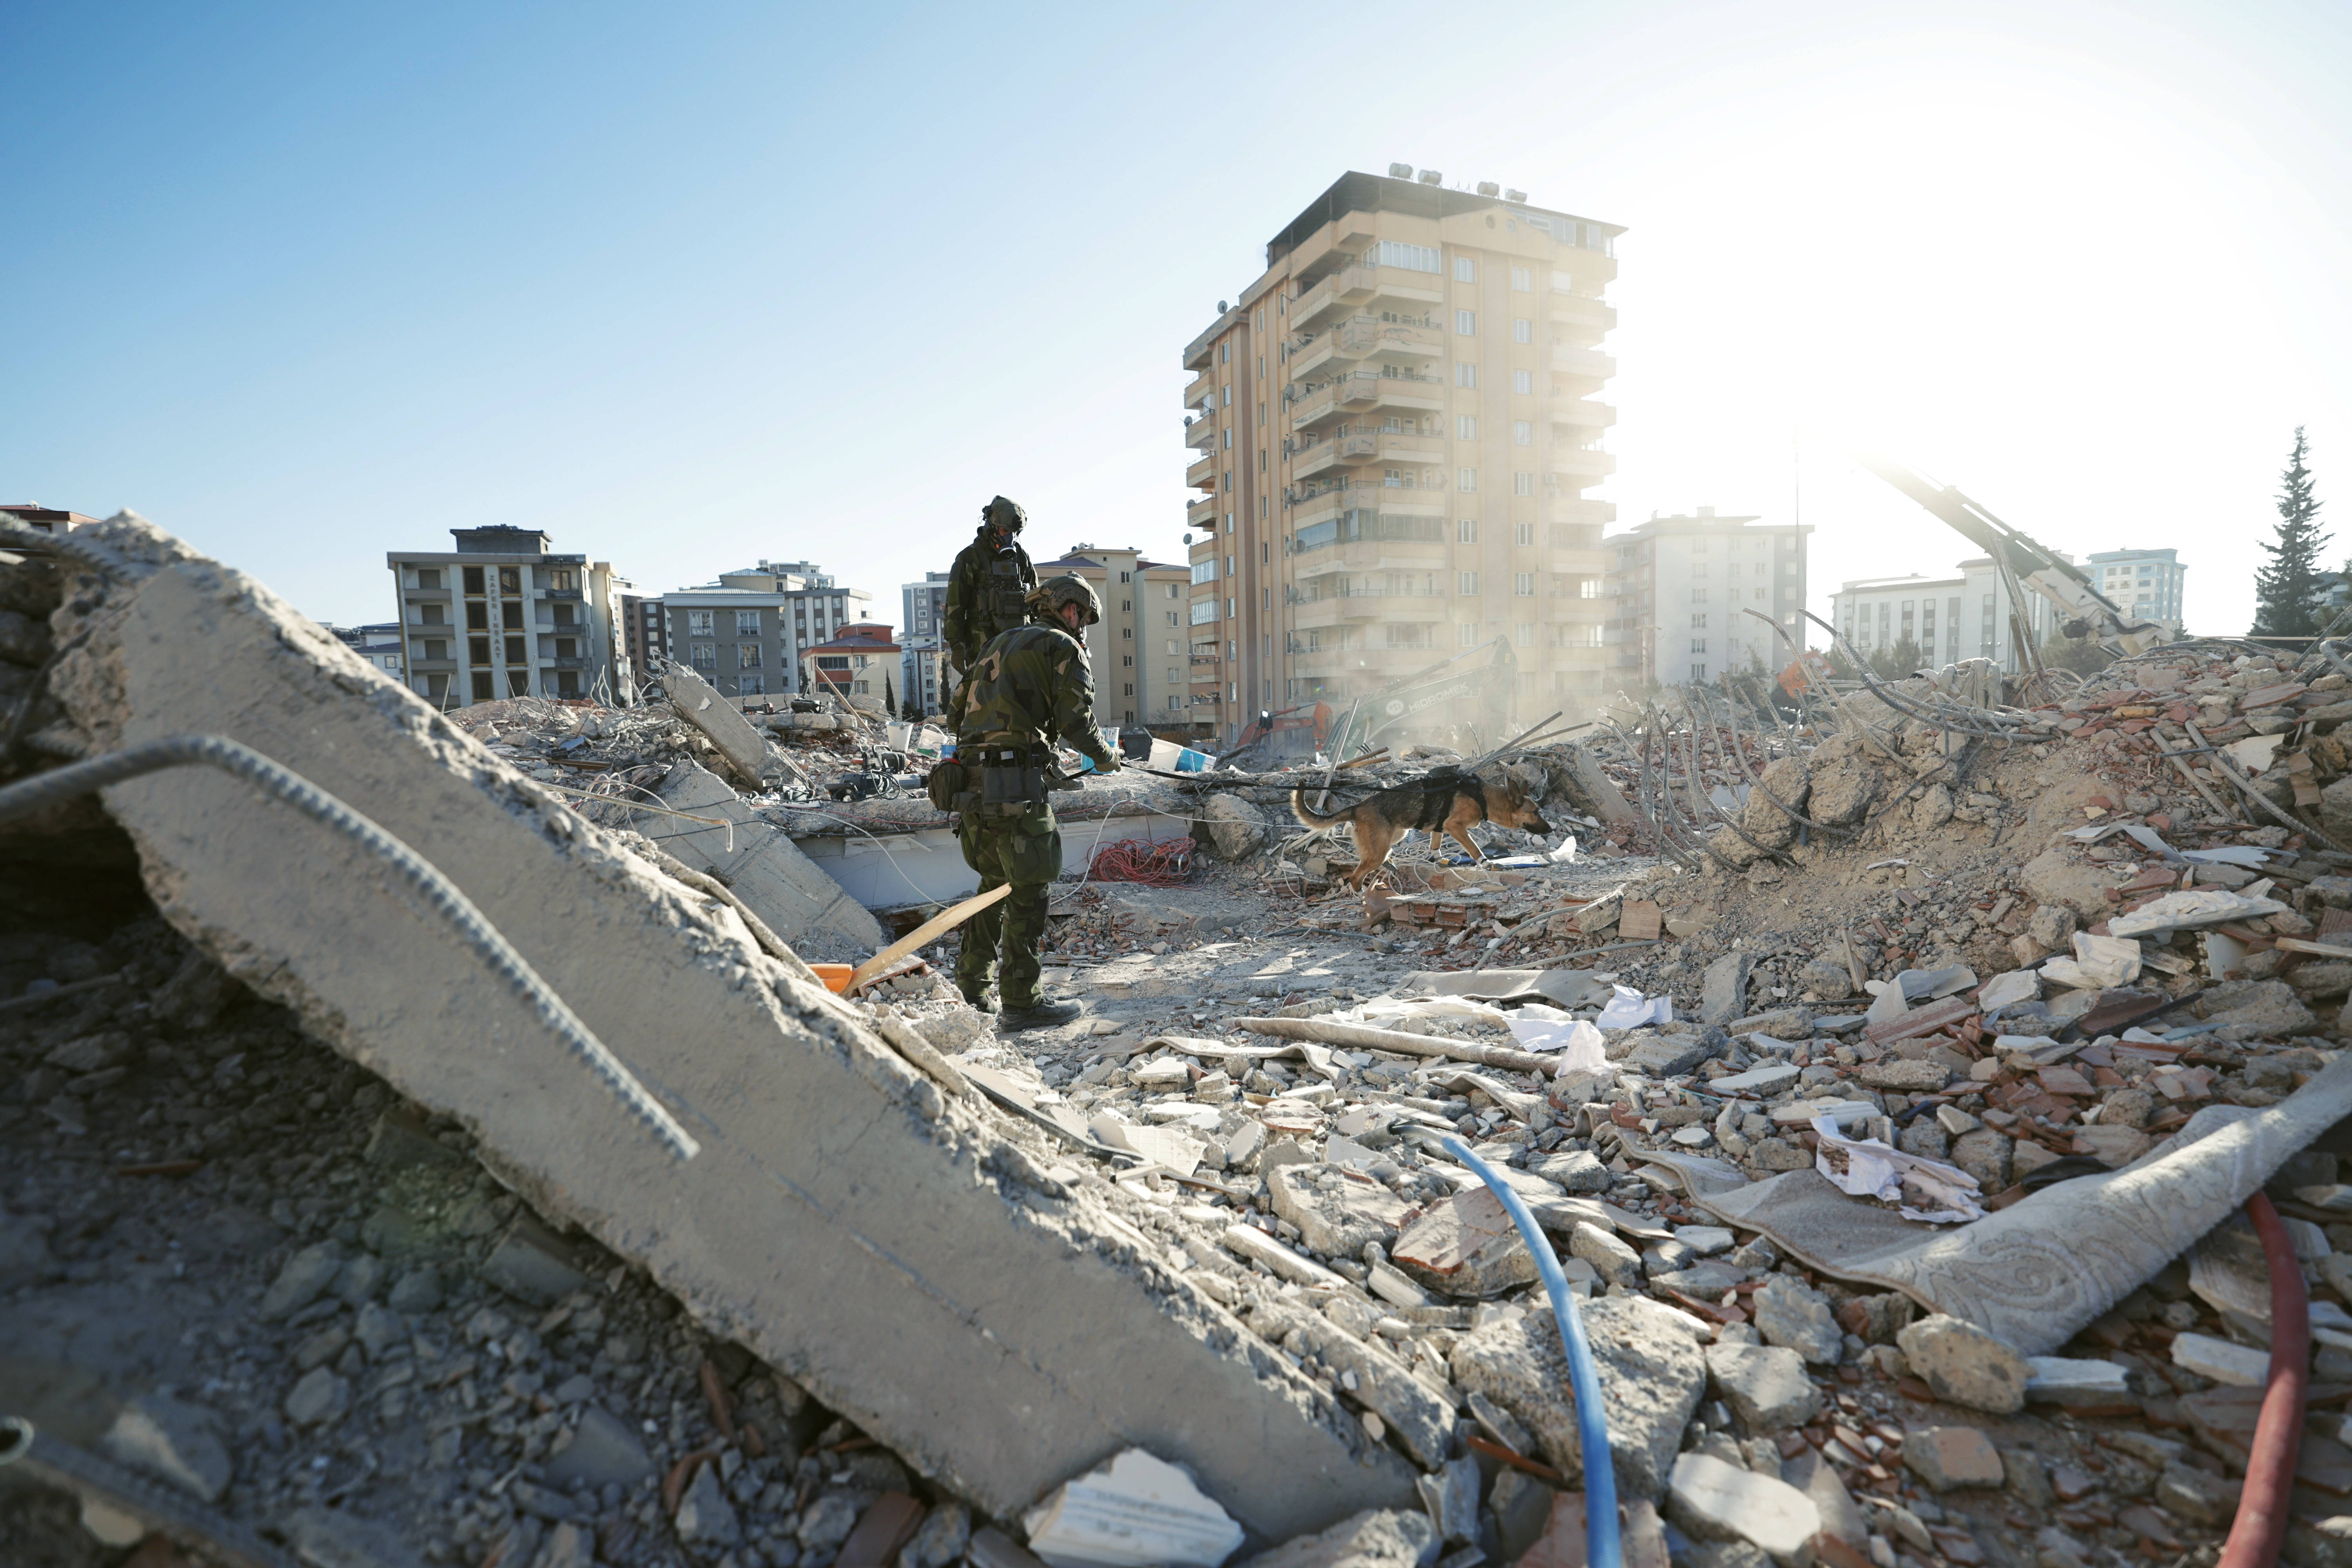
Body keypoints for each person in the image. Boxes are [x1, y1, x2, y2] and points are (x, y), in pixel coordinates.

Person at [953, 573, 1120, 1029]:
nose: (1083, 625)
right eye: (1083, 616)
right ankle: (1023, 1003)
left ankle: (972, 991)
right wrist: (1107, 759)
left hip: (970, 787)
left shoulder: (997, 643)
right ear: (1070, 609)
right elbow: (1077, 722)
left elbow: (955, 711)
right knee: (1029, 891)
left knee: (992, 886)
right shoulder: (1064, 648)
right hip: (1015, 792)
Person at [941, 495, 1036, 730]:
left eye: (1015, 532)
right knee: (981, 706)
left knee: (1019, 704)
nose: (1010, 538)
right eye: (1005, 531)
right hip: (982, 648)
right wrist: (957, 647)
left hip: (1017, 647)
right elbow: (955, 607)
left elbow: (1036, 602)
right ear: (991, 525)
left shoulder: (1021, 559)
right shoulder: (969, 559)